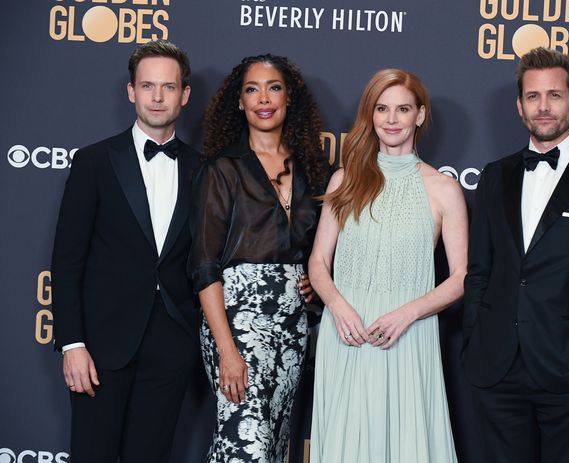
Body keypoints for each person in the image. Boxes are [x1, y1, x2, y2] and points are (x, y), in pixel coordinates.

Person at [462, 47, 569, 463]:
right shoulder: (494, 176)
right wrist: (474, 341)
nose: (543, 107)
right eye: (533, 96)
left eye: (554, 96)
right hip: (497, 367)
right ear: (519, 106)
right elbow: (479, 270)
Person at [51, 40, 200, 462]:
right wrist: (72, 344)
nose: (157, 97)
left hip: (172, 345)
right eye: (147, 86)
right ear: (130, 91)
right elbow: (67, 261)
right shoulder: (95, 161)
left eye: (168, 87)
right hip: (100, 346)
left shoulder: (202, 168)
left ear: (185, 94)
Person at [309, 69, 468, 462]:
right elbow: (317, 262)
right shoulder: (344, 181)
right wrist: (338, 307)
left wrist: (408, 314)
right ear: (370, 115)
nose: (391, 119)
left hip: (408, 334)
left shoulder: (444, 189)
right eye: (382, 109)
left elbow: (462, 277)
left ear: (420, 115)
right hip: (346, 333)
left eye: (402, 109)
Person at [188, 54, 329, 463]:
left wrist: (313, 286)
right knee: (244, 446)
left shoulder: (310, 170)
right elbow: (204, 266)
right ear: (239, 102)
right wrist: (227, 351)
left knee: (271, 445)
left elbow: (321, 250)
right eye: (252, 89)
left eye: (273, 87)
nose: (263, 98)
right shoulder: (222, 169)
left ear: (289, 97)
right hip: (237, 325)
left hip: (292, 327)